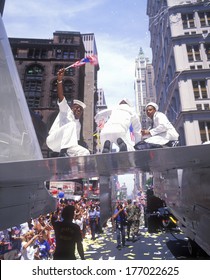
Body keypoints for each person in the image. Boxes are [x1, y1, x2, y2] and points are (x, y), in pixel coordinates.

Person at [46, 68, 90, 157]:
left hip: (64, 145)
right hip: (53, 140)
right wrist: (59, 80)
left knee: (85, 152)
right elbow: (61, 96)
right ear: (72, 108)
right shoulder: (66, 110)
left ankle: (74, 169)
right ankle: (63, 152)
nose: (78, 110)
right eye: (76, 108)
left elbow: (75, 142)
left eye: (80, 110)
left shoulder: (78, 125)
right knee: (71, 125)